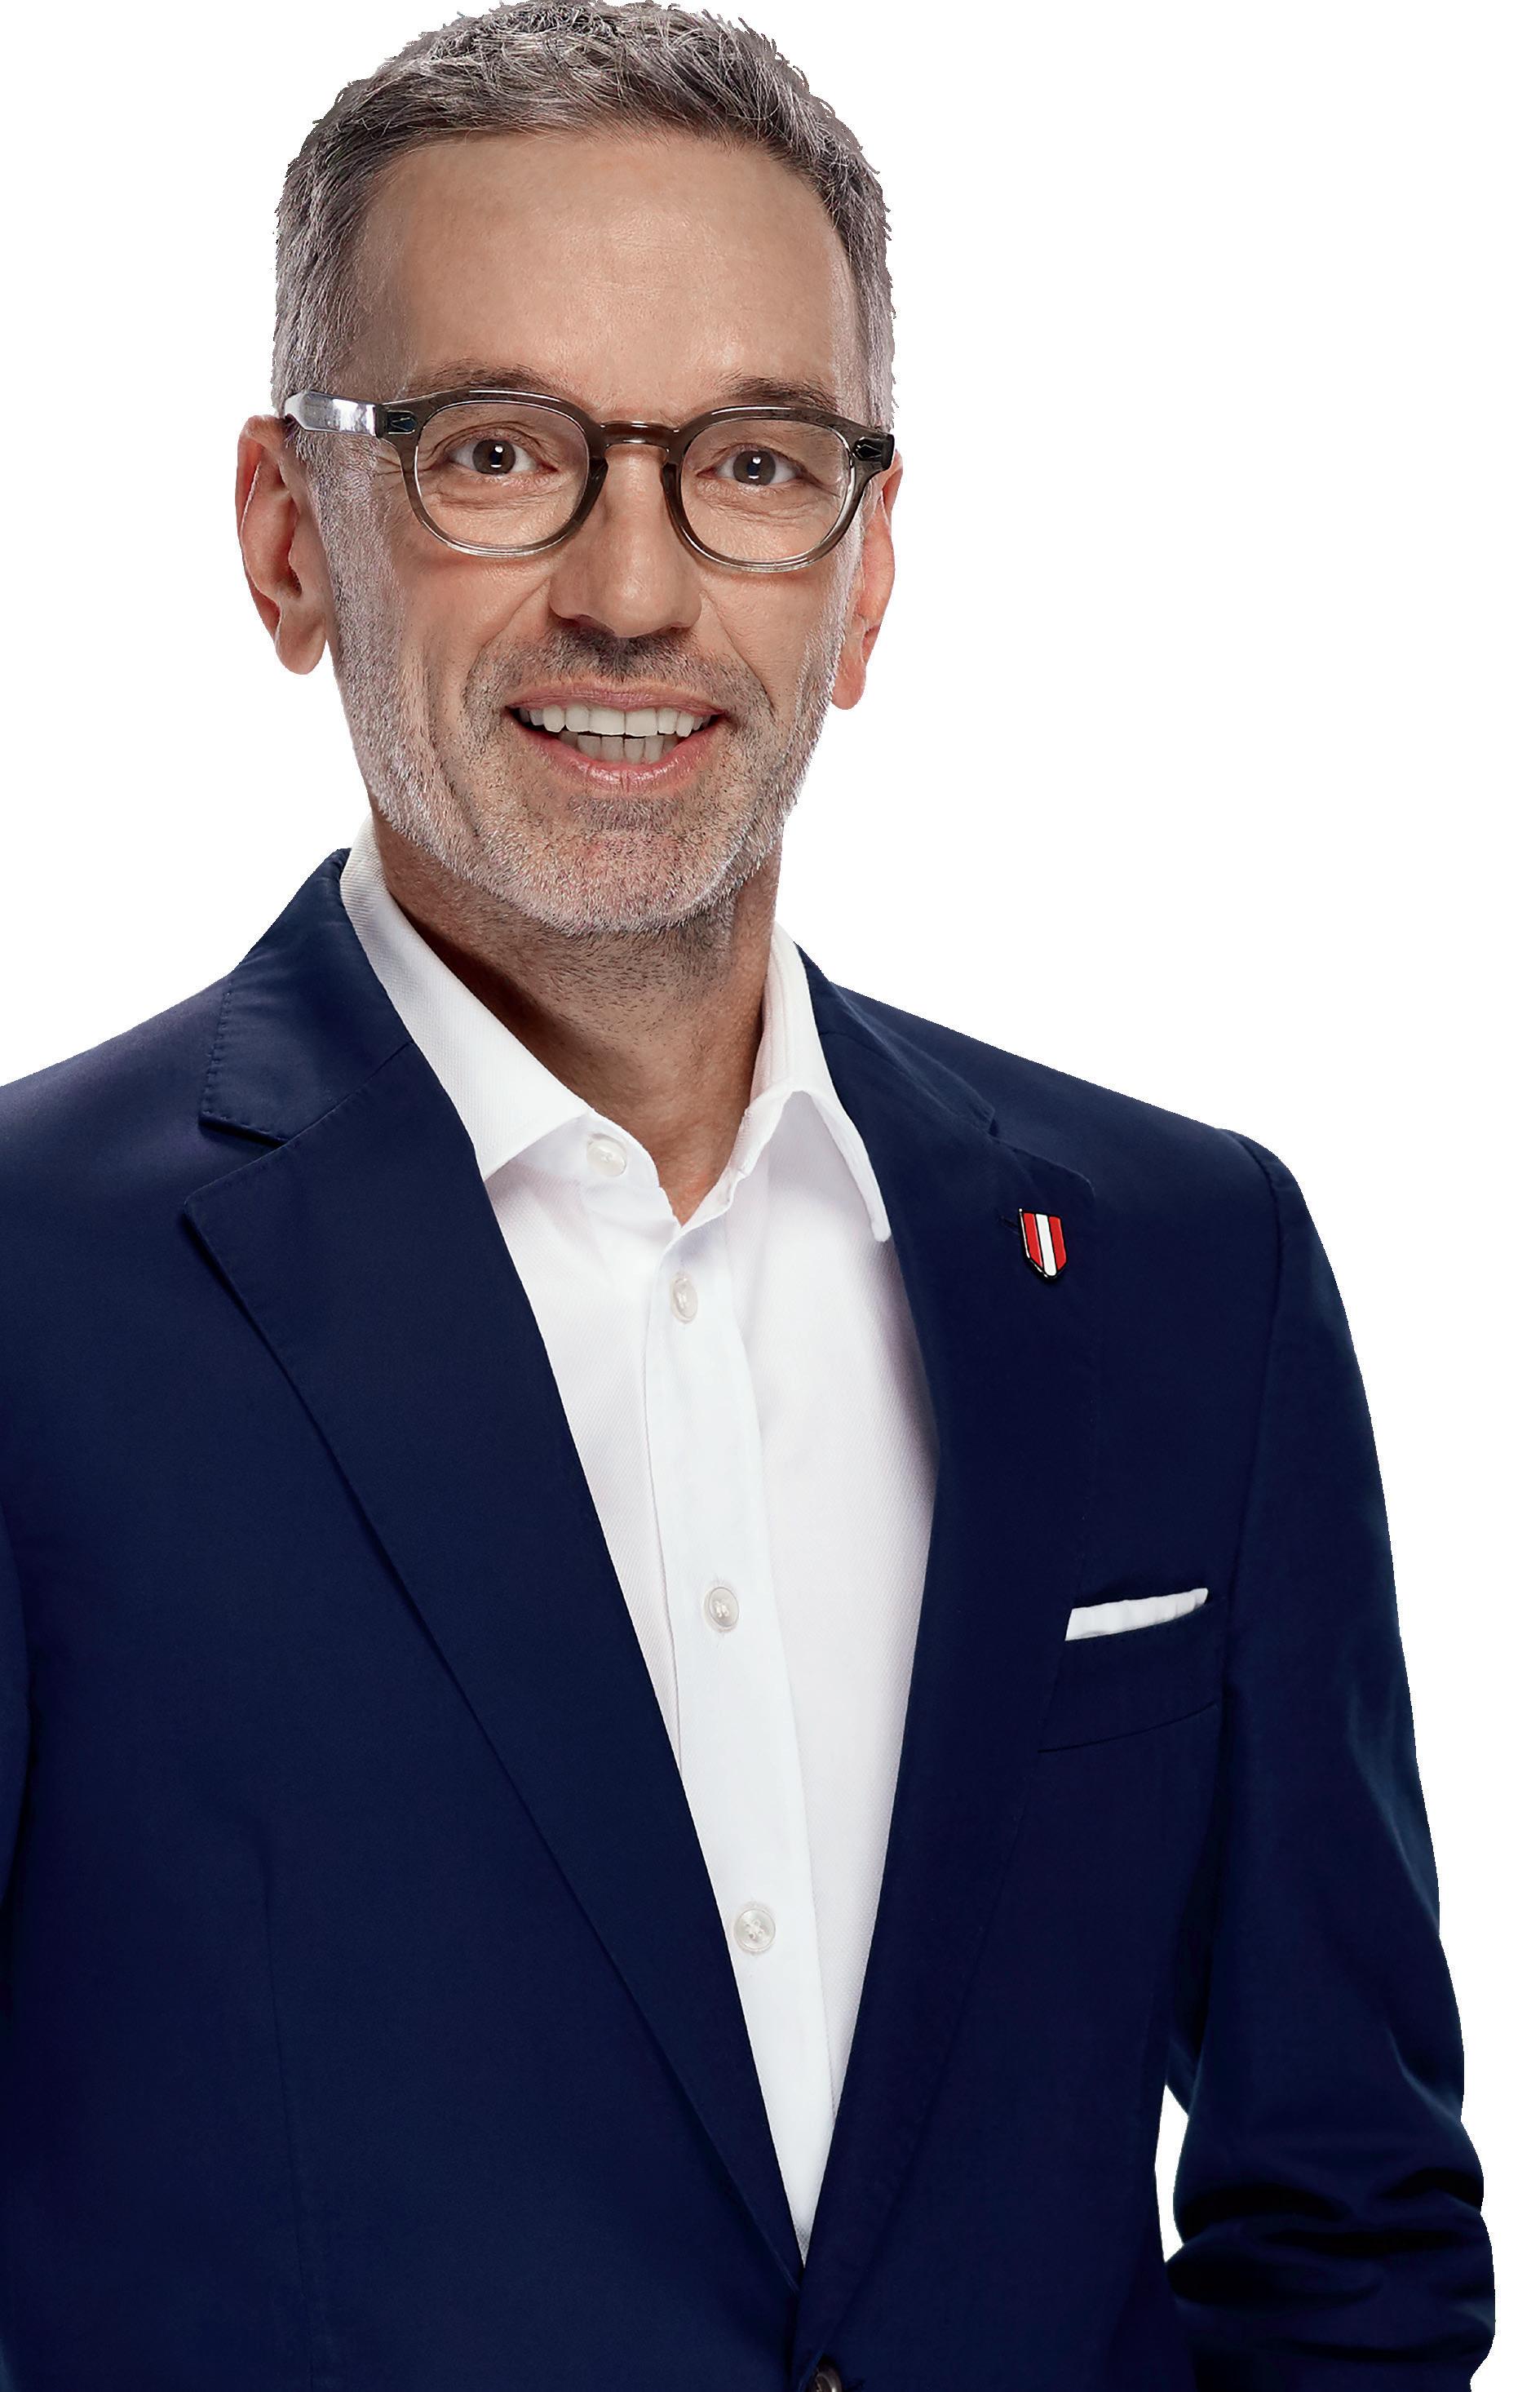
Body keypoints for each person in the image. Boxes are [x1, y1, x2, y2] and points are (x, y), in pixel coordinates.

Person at [0, 6, 1496, 2386]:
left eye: (756, 463)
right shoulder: (34, 1300)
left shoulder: (1184, 1275)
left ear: (868, 569)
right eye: (500, 452)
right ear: (291, 538)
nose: (635, 586)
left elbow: (1351, 2223)